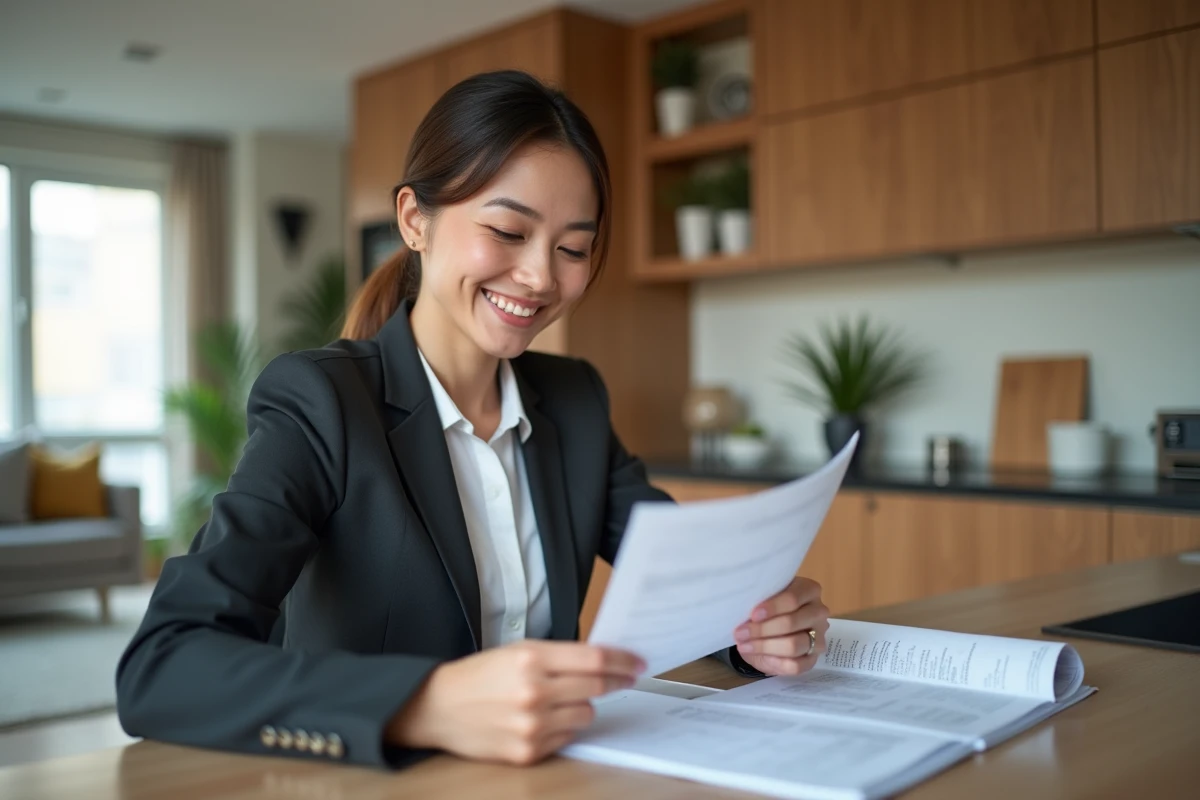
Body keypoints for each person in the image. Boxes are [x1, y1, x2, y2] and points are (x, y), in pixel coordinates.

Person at [116, 70, 830, 770]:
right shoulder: (322, 402)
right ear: (414, 220)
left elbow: (685, 579)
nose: (542, 277)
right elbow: (162, 666)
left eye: (573, 248)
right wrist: (425, 701)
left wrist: (753, 631)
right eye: (508, 231)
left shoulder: (574, 400)